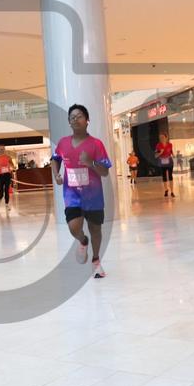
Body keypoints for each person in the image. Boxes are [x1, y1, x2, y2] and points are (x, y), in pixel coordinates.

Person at [51, 104, 112, 279]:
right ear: (69, 122)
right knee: (73, 227)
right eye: (72, 117)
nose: (75, 119)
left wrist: (91, 163)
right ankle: (82, 241)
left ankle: (96, 260)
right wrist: (56, 174)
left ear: (87, 120)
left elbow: (105, 172)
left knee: (95, 229)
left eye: (79, 116)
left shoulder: (96, 144)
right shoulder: (63, 143)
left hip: (93, 196)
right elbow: (55, 159)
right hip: (72, 195)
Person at [0, 145, 14, 209]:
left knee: (6, 190)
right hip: (0, 175)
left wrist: (11, 167)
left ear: (5, 149)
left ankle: (7, 204)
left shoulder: (8, 157)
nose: (2, 150)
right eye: (1, 149)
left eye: (3, 149)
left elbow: (12, 164)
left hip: (7, 175)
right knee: (1, 190)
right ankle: (0, 199)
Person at [155, 131, 175, 198]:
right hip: (162, 162)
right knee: (164, 176)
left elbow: (171, 151)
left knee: (170, 176)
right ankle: (166, 190)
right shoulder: (158, 145)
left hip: (169, 161)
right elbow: (155, 155)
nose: (162, 139)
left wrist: (173, 154)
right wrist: (160, 153)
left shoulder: (170, 144)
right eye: (160, 137)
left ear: (166, 137)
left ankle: (172, 191)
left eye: (163, 137)